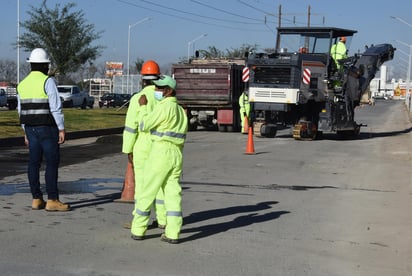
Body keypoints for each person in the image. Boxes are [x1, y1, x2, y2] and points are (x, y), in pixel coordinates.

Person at [131, 75, 188, 244]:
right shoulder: (180, 110)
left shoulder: (164, 108)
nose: (156, 90)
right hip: (176, 154)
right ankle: (173, 232)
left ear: (169, 91)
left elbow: (144, 125)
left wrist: (143, 107)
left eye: (159, 88)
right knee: (173, 194)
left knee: (147, 191)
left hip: (160, 152)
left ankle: (138, 229)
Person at [17, 48, 70, 212]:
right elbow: (55, 107)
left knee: (34, 163)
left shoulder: (22, 84)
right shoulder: (48, 81)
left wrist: (25, 131)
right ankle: (52, 199)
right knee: (51, 163)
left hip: (31, 129)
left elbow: (21, 111)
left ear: (31, 64)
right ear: (45, 65)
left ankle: (36, 198)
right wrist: (61, 128)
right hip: (47, 128)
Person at [122, 60, 166, 229]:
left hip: (142, 147)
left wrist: (128, 150)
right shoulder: (162, 98)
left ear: (142, 79)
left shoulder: (137, 99)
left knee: (142, 186)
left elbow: (131, 128)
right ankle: (163, 220)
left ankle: (140, 220)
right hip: (159, 147)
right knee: (160, 185)